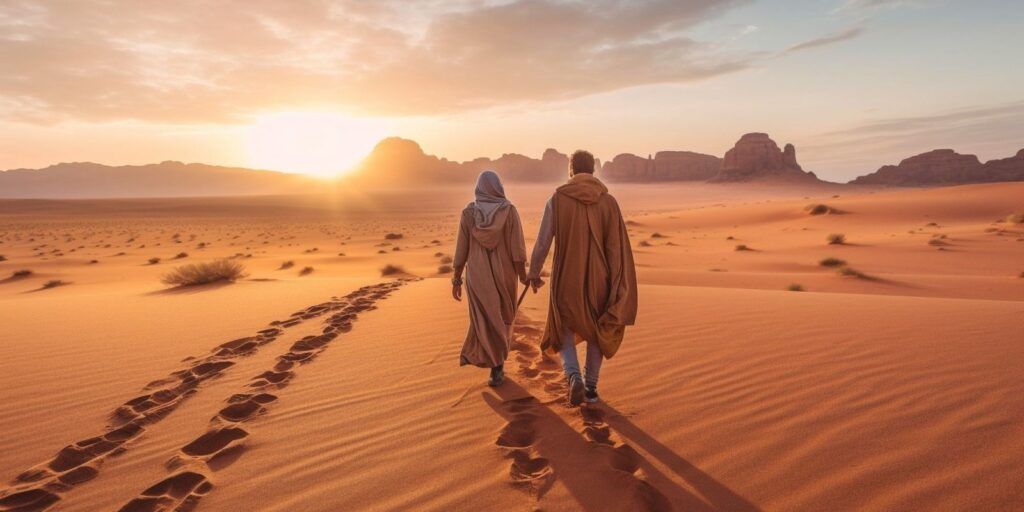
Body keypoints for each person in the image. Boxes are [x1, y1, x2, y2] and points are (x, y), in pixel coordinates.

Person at [527, 150, 637, 405]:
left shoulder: (557, 199)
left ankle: (573, 376)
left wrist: (534, 273)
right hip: (601, 279)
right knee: (598, 330)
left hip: (566, 276)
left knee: (564, 328)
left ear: (571, 170)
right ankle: (591, 388)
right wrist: (617, 284)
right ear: (594, 170)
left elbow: (543, 241)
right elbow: (615, 248)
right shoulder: (609, 203)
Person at [452, 170, 528, 387]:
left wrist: (456, 278)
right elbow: (517, 249)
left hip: (477, 275)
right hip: (505, 274)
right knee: (502, 316)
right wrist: (523, 275)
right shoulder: (509, 211)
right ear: (498, 187)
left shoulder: (468, 214)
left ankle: (488, 361)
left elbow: (461, 250)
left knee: (484, 318)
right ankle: (497, 366)